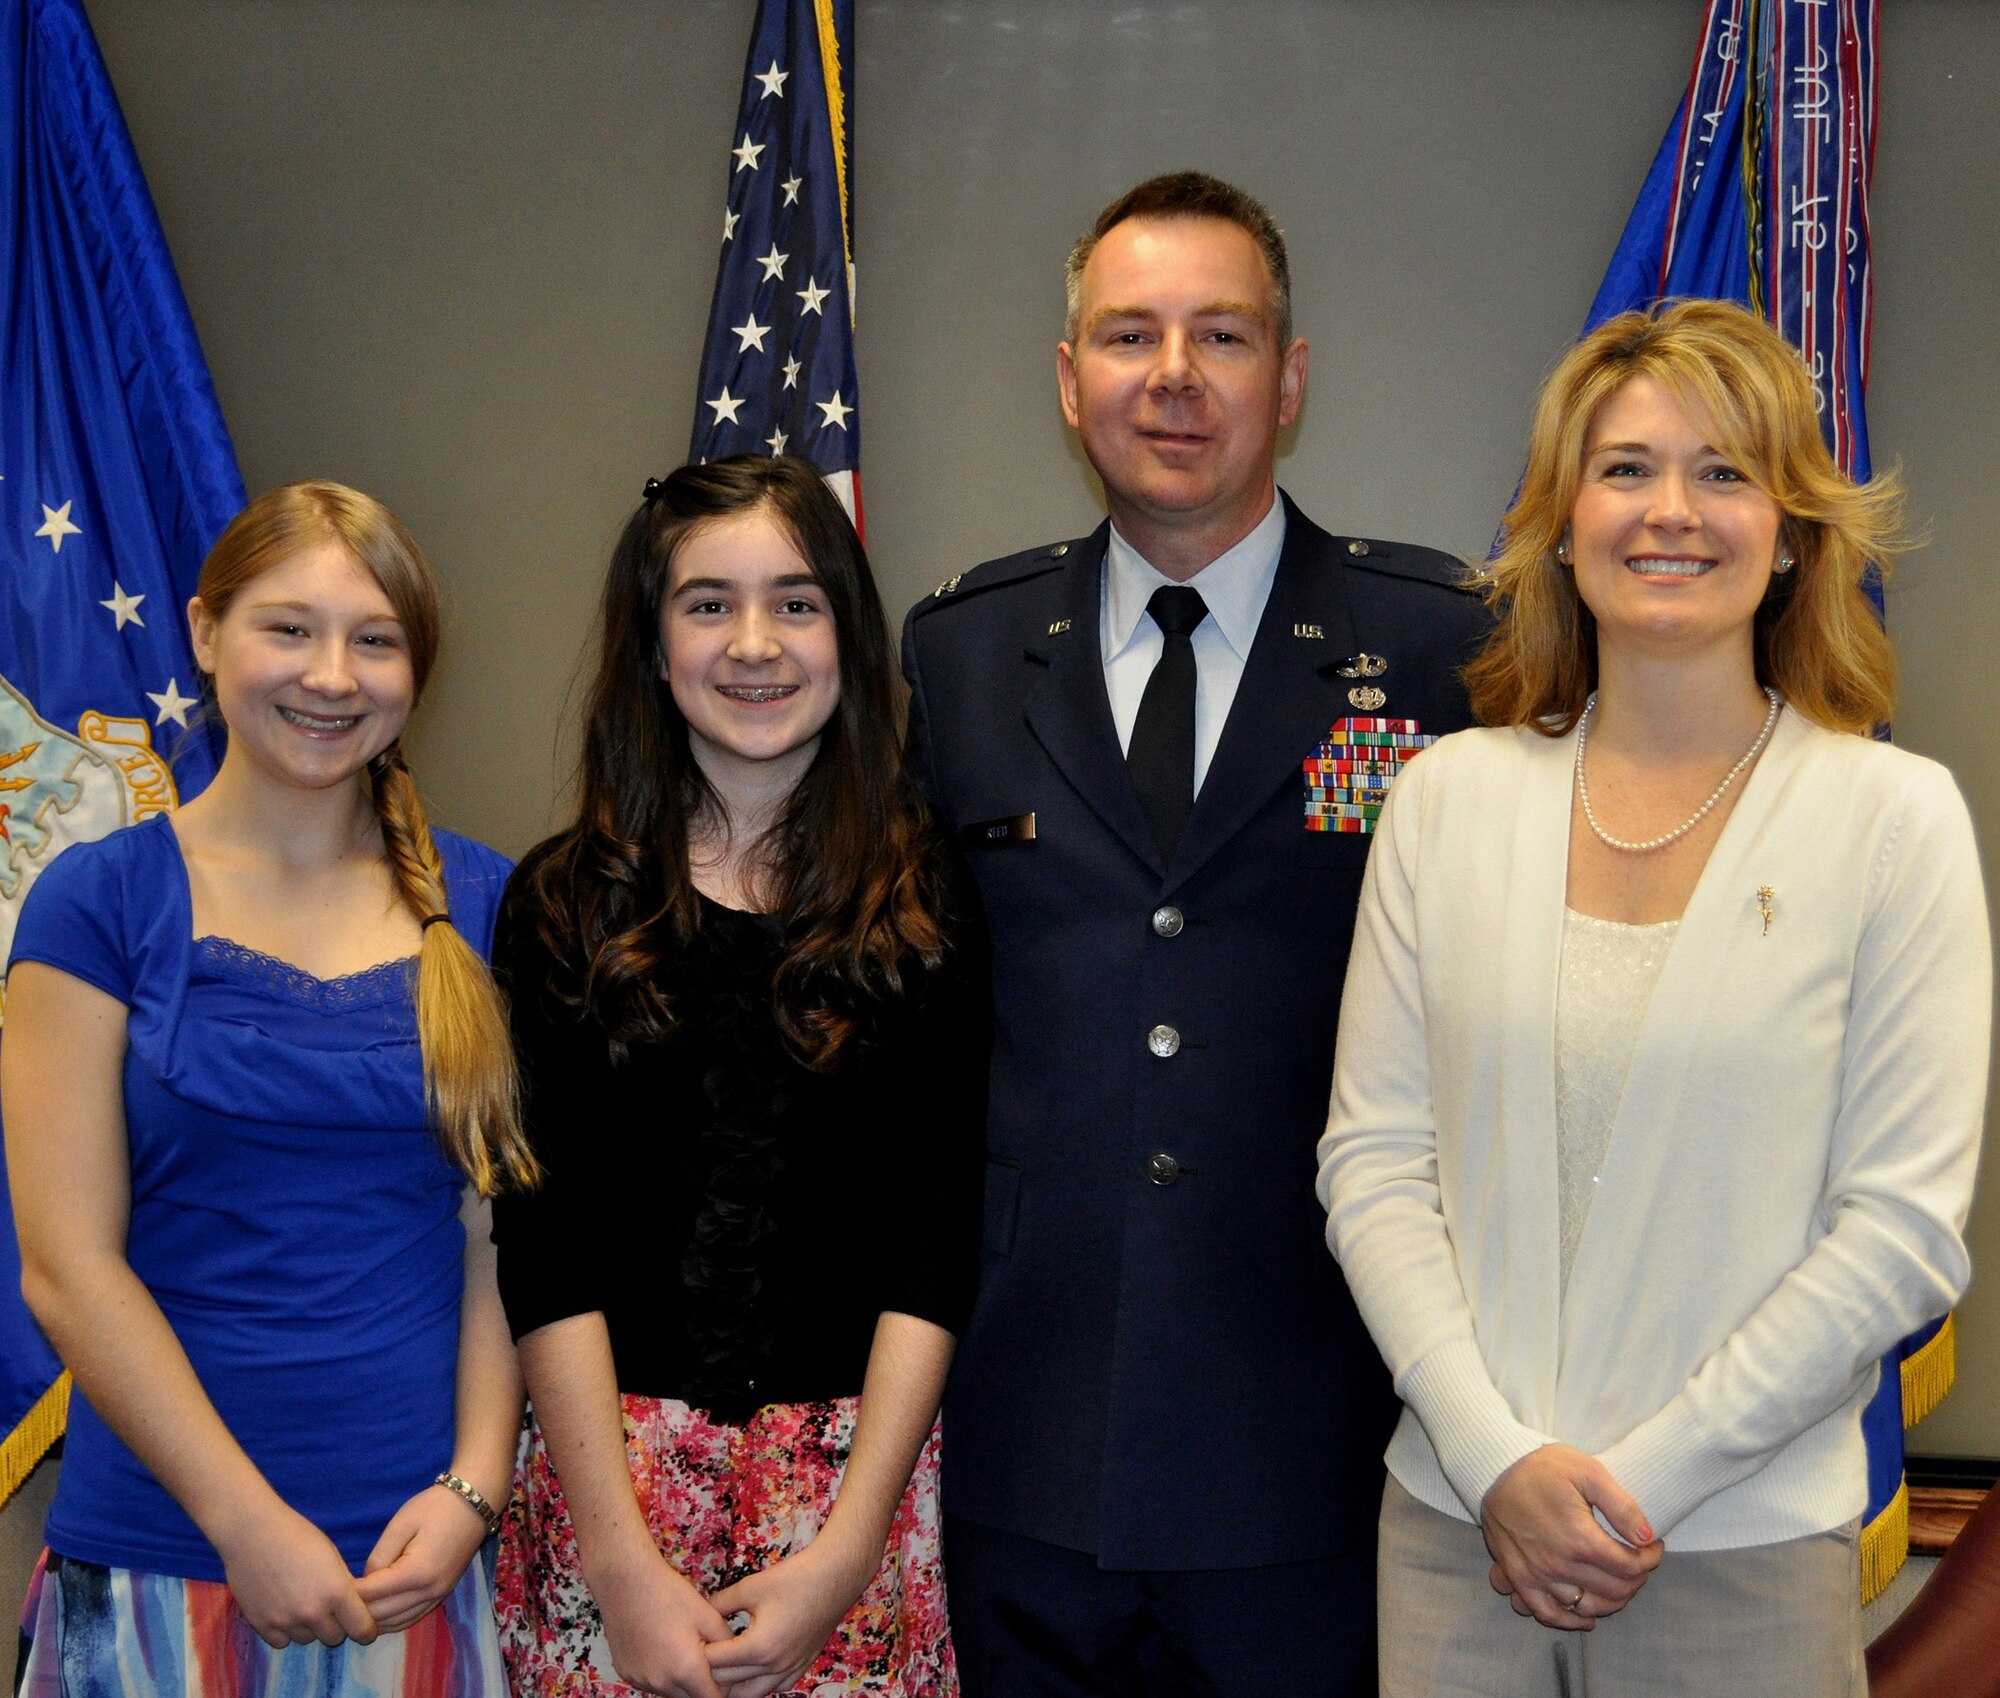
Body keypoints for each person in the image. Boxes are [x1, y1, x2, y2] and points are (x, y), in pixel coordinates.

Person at [1317, 298, 1989, 1696]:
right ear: (1561, 521)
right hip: (1458, 1533)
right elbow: (1374, 1164)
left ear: (1794, 526)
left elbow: (1901, 1233)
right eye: (1624, 467)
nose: (1669, 510)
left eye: (1724, 470)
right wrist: (1497, 1459)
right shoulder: (1443, 801)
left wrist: (1647, 1481)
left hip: (1743, 1550)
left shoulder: (1894, 819)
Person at [900, 171, 1489, 1694]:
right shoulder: (961, 652)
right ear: (1068, 378)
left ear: (1288, 381)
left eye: (1221, 336)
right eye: (1129, 334)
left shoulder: (1440, 645)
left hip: (1327, 1435)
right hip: (1028, 1435)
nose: (1172, 376)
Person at [2, 481, 532, 1692]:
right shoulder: (100, 901)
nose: (331, 675)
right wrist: (245, 1521)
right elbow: (68, 1268)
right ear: (203, 633)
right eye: (287, 628)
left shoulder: (493, 903)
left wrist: (471, 1490)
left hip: (415, 1561)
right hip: (164, 1557)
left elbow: (507, 1236)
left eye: (375, 639)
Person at [490, 455, 986, 1698]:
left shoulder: (923, 902)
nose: (754, 643)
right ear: (651, 643)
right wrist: (617, 1564)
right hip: (610, 1503)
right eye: (708, 603)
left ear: (848, 639)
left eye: (797, 602)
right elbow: (542, 1246)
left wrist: (848, 1549)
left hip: (851, 1502)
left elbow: (938, 1236)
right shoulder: (561, 904)